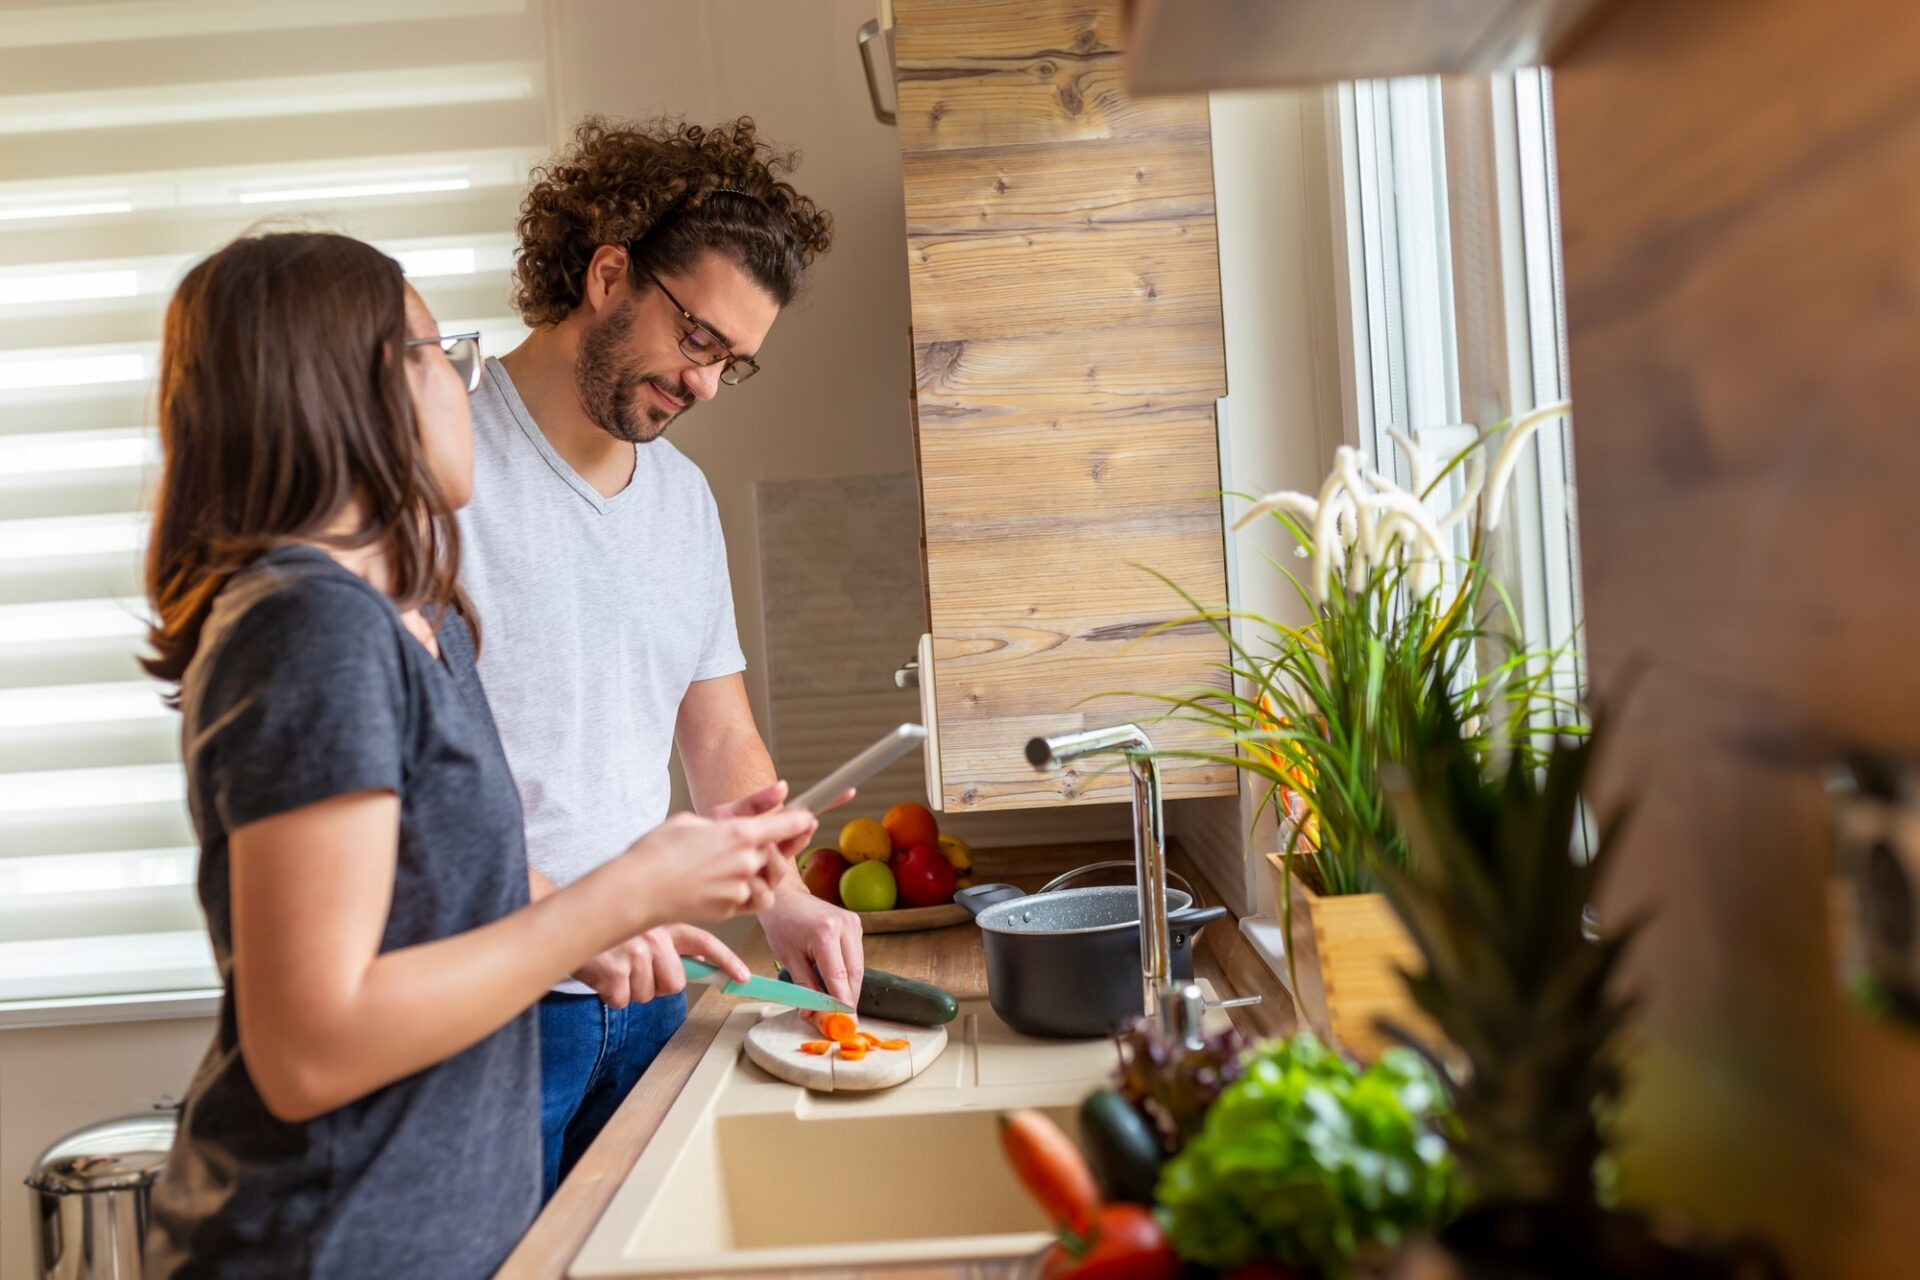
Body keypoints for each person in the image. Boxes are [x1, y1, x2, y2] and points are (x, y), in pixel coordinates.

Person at [139, 231, 814, 1278]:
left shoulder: (423, 615)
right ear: (341, 391)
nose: (467, 382)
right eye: (435, 354)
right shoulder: (308, 630)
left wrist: (596, 915)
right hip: (334, 1242)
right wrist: (617, 894)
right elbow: (309, 1048)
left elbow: (441, 884)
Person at [456, 115, 861, 1196]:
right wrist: (558, 918)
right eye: (698, 340)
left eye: (735, 362)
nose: (708, 384)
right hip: (493, 1005)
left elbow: (716, 729)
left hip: (655, 989)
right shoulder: (442, 452)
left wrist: (785, 895)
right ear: (607, 274)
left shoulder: (681, 499)